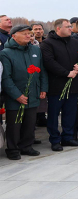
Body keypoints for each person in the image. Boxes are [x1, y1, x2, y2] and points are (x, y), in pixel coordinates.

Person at [0, 25, 48, 160]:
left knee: (30, 122)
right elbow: (6, 78)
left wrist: (43, 88)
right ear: (14, 36)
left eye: (29, 33)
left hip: (33, 93)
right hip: (15, 96)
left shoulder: (35, 50)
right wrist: (17, 95)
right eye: (24, 33)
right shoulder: (5, 53)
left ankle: (26, 146)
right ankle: (13, 149)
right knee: (14, 124)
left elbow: (42, 71)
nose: (28, 36)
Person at [41, 18, 78, 150]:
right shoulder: (47, 43)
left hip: (73, 84)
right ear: (58, 28)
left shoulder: (75, 42)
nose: (71, 29)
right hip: (57, 85)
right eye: (68, 27)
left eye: (71, 27)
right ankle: (55, 140)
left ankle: (68, 137)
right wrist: (66, 73)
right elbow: (49, 62)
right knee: (54, 115)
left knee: (70, 113)